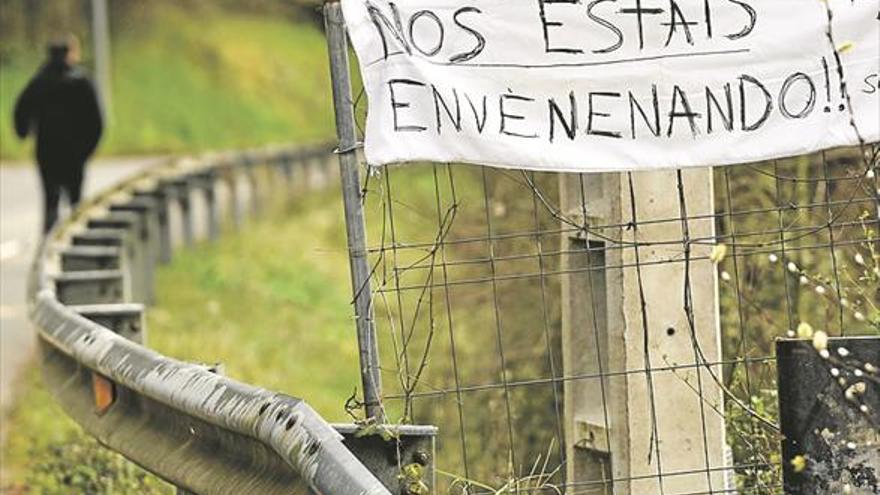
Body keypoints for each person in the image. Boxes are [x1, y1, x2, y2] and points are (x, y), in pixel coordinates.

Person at [13, 35, 103, 234]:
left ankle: (48, 242)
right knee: (76, 204)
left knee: (51, 202)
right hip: (75, 153)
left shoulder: (39, 81)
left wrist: (23, 132)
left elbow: (21, 110)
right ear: (71, 54)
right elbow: (97, 121)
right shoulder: (82, 83)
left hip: (47, 151)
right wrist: (87, 149)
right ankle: (77, 245)